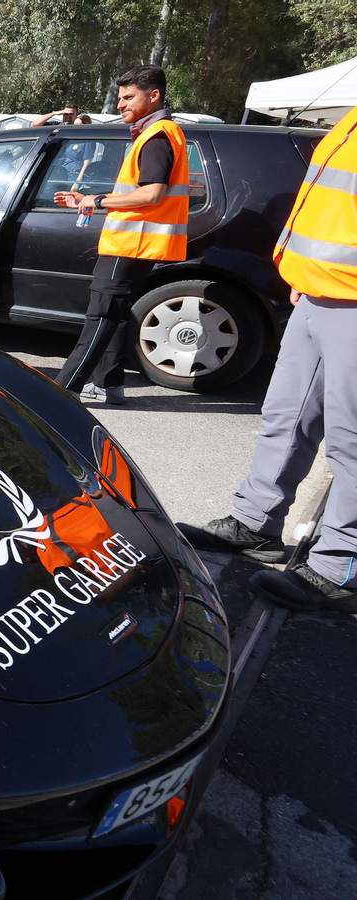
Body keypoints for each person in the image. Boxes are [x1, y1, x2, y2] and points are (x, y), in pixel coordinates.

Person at [177, 102, 357, 611]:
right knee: (286, 416)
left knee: (352, 438)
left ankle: (342, 567)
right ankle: (255, 523)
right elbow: (320, 201)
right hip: (318, 292)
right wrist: (299, 270)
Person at [50, 66, 188, 406]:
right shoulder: (159, 133)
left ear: (153, 96)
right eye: (121, 97)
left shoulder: (157, 135)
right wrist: (87, 200)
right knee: (115, 313)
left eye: (128, 97)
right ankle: (110, 385)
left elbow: (151, 194)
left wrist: (95, 200)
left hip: (130, 243)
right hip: (137, 243)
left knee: (102, 314)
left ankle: (64, 390)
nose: (120, 105)